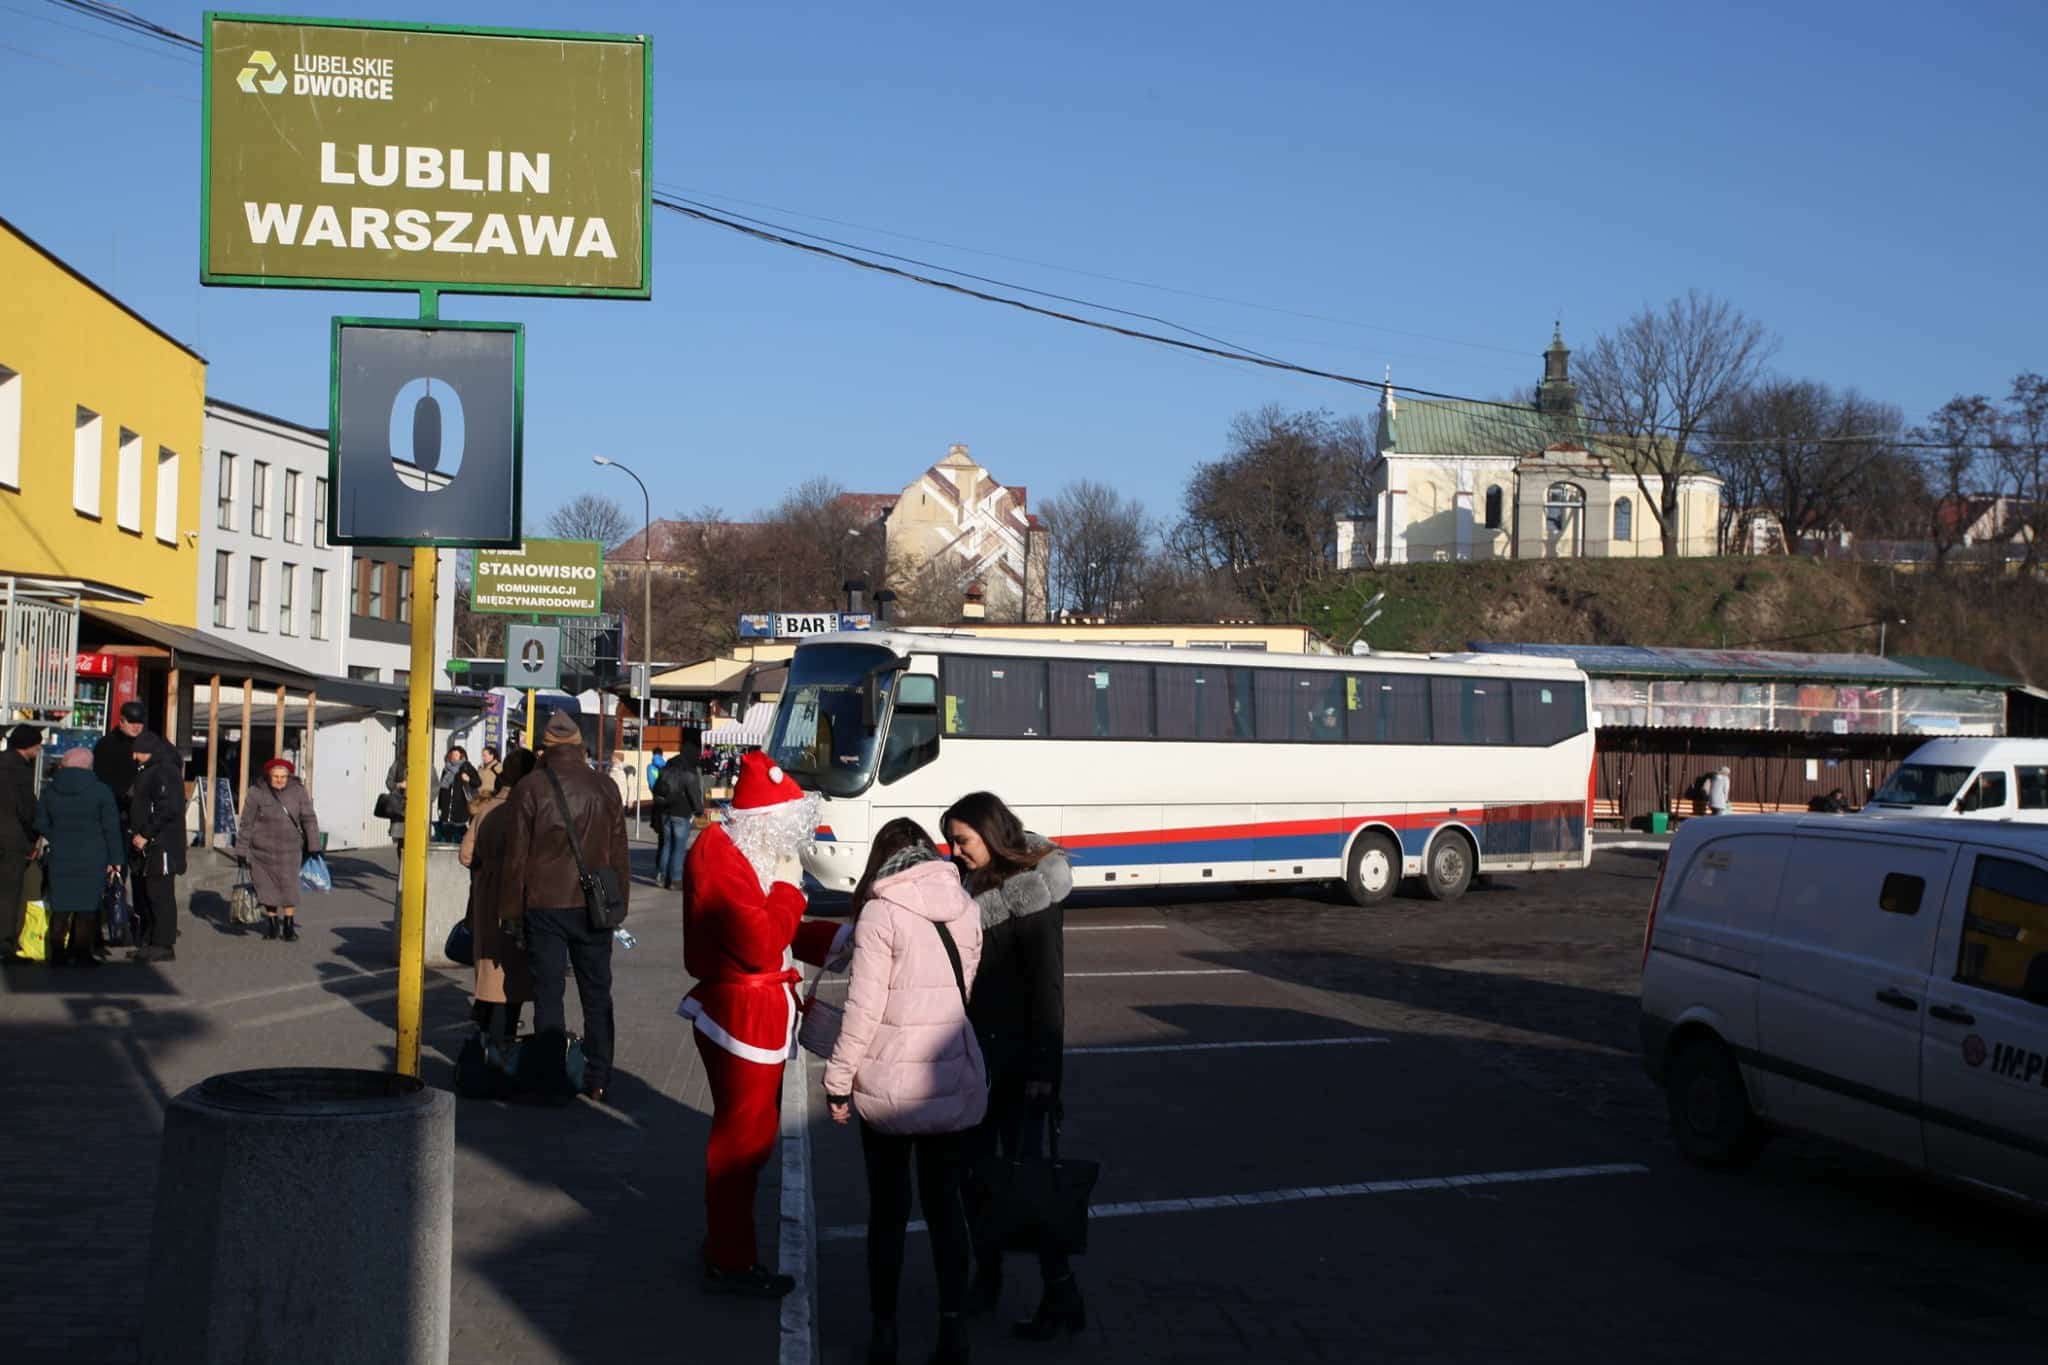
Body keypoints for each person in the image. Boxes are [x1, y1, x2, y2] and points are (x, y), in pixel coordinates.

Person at [680, 750, 845, 1298]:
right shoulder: (722, 857)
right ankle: (730, 1259)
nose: (792, 845)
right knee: (742, 1142)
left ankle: (727, 1244)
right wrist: (789, 890)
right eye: (788, 829)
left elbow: (774, 932)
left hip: (753, 1007)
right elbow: (758, 943)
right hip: (740, 1012)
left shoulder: (739, 852)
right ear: (765, 822)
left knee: (752, 1137)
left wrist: (842, 940)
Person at [824, 820, 987, 1365]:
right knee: (946, 1210)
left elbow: (863, 1011)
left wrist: (837, 1082)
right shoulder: (964, 905)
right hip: (948, 1081)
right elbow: (964, 989)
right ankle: (953, 1330)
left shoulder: (879, 911)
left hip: (889, 1087)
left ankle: (885, 1331)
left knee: (889, 1212)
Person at [941, 791, 1083, 1342]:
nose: (956, 850)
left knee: (1029, 1185)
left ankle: (1061, 1290)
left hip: (1023, 1066)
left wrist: (1047, 1072)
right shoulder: (967, 885)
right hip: (977, 1059)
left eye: (963, 840)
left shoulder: (1035, 899)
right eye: (952, 841)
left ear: (991, 835)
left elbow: (1048, 992)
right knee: (977, 1177)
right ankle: (990, 1276)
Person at [499, 712, 631, 1104]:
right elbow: (620, 853)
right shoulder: (605, 787)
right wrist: (617, 904)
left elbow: (515, 859)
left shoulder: (530, 788)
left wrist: (511, 912)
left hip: (544, 903)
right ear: (580, 746)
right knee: (596, 993)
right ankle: (598, 1077)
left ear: (545, 748)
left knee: (548, 993)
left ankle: (552, 1078)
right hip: (594, 905)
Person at [461, 746, 537, 1036]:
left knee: (488, 963)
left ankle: (485, 1017)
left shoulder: (486, 809)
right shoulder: (528, 812)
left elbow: (466, 855)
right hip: (518, 898)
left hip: (486, 896)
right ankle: (503, 1037)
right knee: (512, 970)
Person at [33, 747, 122, 967]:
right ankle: (82, 952)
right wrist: (116, 859)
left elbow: (40, 822)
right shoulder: (101, 791)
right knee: (87, 907)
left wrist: (56, 837)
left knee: (60, 906)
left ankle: (57, 953)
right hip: (93, 856)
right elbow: (111, 828)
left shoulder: (51, 790)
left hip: (61, 854)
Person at [234, 758, 321, 943]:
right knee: (266, 888)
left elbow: (309, 818)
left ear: (289, 776)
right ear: (268, 776)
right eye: (276, 777)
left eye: (283, 777)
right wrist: (241, 850)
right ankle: (272, 923)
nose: (280, 780)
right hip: (262, 850)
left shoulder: (298, 791)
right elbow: (246, 822)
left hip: (290, 850)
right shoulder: (256, 792)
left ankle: (289, 924)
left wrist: (314, 846)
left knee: (289, 887)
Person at [127, 731, 186, 963]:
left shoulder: (164, 771)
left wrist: (145, 833)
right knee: (149, 894)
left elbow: (168, 809)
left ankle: (163, 944)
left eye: (138, 752)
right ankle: (151, 941)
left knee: (160, 895)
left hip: (161, 845)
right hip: (151, 843)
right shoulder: (152, 770)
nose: (134, 756)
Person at [2, 725, 46, 960]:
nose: (39, 749)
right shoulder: (19, 770)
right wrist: (35, 834)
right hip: (12, 840)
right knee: (9, 894)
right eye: (37, 745)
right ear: (27, 745)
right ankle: (5, 945)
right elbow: (26, 808)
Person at [655, 748, 705, 890]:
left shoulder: (665, 772)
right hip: (682, 813)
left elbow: (657, 790)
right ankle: (675, 879)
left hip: (665, 812)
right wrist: (699, 811)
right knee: (679, 847)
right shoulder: (688, 775)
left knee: (666, 845)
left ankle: (662, 877)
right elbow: (694, 796)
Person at [437, 745, 482, 837]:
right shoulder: (446, 769)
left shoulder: (466, 767)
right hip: (447, 808)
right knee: (447, 834)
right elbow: (442, 789)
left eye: (456, 755)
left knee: (461, 832)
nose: (454, 757)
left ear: (461, 756)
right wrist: (440, 805)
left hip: (462, 806)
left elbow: (477, 782)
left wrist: (468, 779)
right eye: (452, 755)